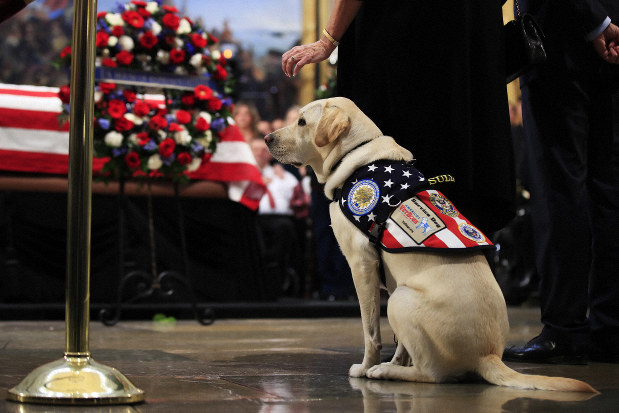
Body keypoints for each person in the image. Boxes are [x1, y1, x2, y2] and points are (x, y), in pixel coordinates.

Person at [282, 0, 515, 236]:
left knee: (394, 195)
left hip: (404, 45)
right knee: (463, 189)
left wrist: (327, 40)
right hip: (469, 43)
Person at [502, 1, 619, 364]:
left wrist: (595, 22)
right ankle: (610, 329)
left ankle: (565, 329)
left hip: (559, 41)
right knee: (610, 189)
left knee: (559, 187)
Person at [250, 137, 304, 297]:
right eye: (255, 150)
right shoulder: (244, 175)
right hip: (254, 219)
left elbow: (298, 199)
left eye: (263, 150)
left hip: (281, 222)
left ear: (269, 155)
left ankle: (279, 282)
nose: (259, 154)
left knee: (286, 230)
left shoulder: (284, 176)